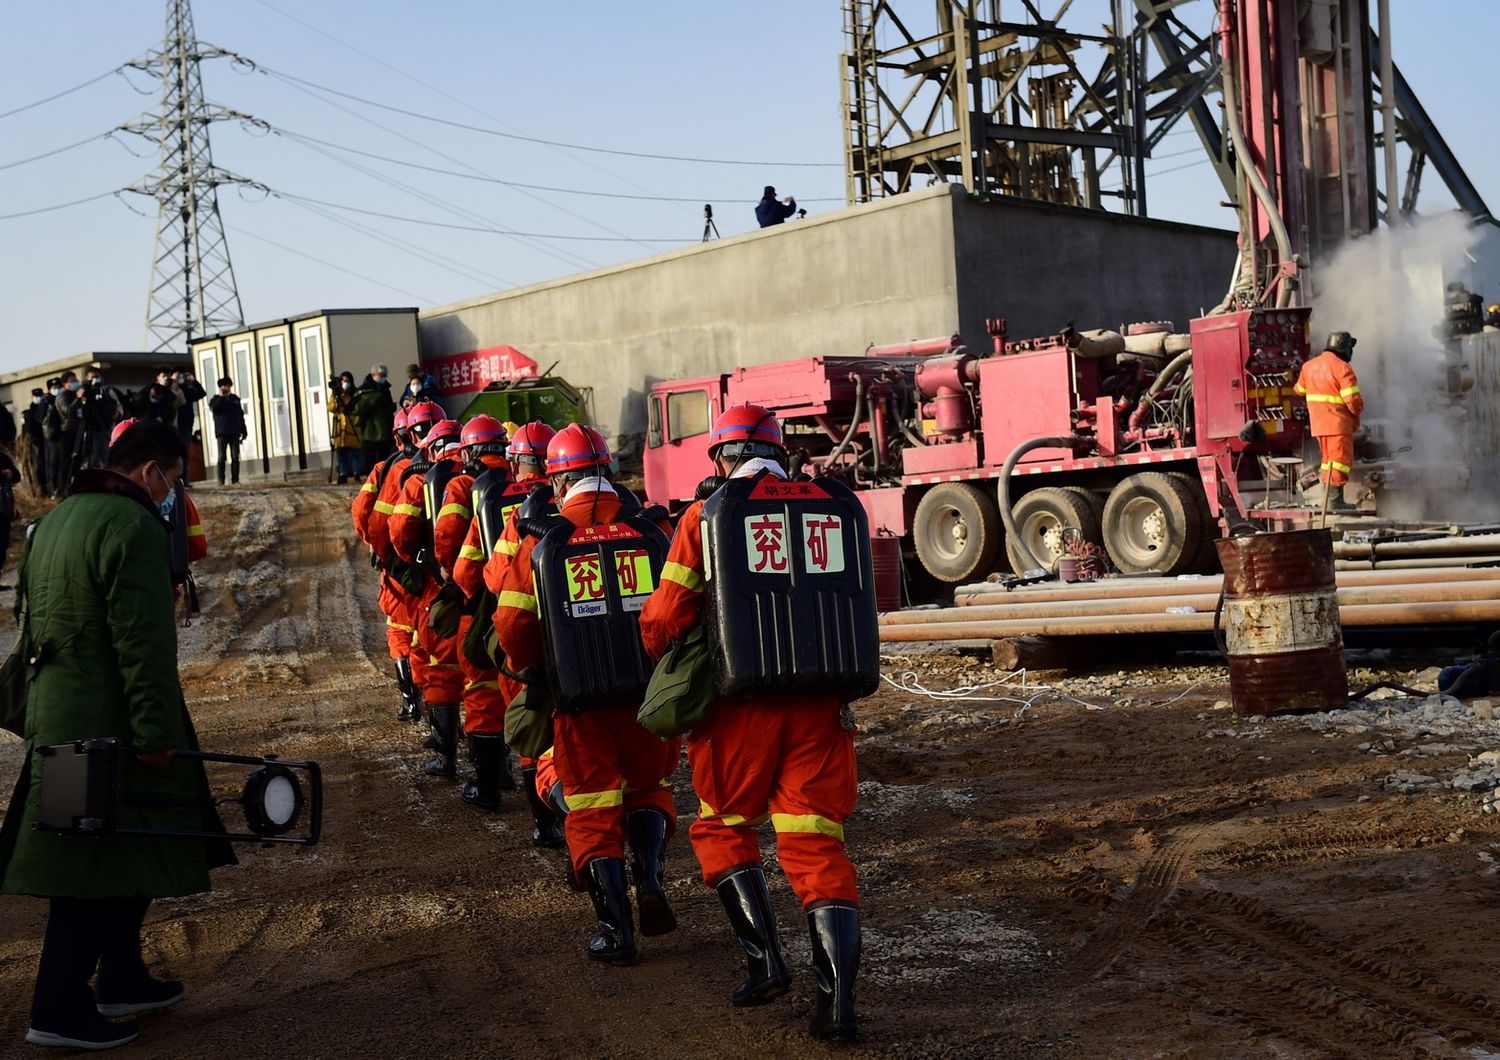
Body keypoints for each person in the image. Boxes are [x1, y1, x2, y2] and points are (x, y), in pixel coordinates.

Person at [0, 420, 234, 1051]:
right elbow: (143, 645)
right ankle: (57, 1006)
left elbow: (29, 626)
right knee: (92, 861)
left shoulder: (52, 522)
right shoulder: (132, 527)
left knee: (126, 847)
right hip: (112, 723)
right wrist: (156, 731)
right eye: (175, 479)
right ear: (150, 471)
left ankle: (122, 975)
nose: (174, 493)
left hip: (60, 717)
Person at [639, 403, 864, 1041]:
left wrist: (669, 662)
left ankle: (765, 960)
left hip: (739, 714)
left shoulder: (706, 517)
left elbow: (663, 617)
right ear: (779, 451)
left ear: (721, 457)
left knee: (723, 827)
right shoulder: (835, 505)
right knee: (817, 844)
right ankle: (839, 1009)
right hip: (822, 707)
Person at [495, 424, 679, 966]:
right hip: (648, 696)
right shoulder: (649, 529)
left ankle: (614, 931)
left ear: (557, 481)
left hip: (580, 702)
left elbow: (510, 624)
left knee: (594, 806)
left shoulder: (541, 539)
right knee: (648, 787)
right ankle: (648, 877)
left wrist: (535, 670)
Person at [477, 421, 565, 846]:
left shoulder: (519, 516)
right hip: (603, 651)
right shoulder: (615, 510)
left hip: (536, 641)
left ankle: (546, 824)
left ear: (518, 462)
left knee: (533, 729)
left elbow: (494, 580)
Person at [431, 415, 516, 811]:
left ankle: (488, 786)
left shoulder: (464, 485)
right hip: (540, 601)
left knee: (482, 690)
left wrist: (452, 578)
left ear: (469, 452)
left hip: (482, 598)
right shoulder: (528, 484)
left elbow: (451, 541)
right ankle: (516, 773)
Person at [389, 417, 467, 775]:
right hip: (490, 588)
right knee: (486, 677)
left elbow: (401, 532)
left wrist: (413, 563)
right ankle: (497, 767)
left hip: (439, 584)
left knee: (441, 666)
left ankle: (445, 755)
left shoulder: (422, 479)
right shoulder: (481, 476)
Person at [1294, 331, 1365, 512]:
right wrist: (1357, 415)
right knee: (1340, 461)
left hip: (1319, 426)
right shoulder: (1343, 368)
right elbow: (1353, 401)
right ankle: (1335, 500)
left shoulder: (1308, 367)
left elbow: (1299, 389)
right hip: (1338, 424)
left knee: (1328, 462)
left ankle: (1329, 498)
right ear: (1344, 348)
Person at [354, 368, 398, 471]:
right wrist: (375, 398)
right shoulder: (364, 389)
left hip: (385, 429)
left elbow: (388, 406)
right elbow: (357, 409)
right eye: (381, 375)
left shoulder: (385, 388)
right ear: (374, 375)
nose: (383, 378)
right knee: (370, 459)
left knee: (385, 458)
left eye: (384, 375)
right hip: (370, 430)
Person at [207, 377, 248, 486]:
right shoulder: (215, 400)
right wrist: (221, 397)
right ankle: (221, 480)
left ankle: (235, 479)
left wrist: (244, 430)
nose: (225, 388)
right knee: (221, 457)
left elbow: (240, 415)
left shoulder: (235, 399)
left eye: (227, 386)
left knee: (235, 456)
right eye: (223, 386)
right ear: (219, 387)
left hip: (234, 431)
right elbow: (214, 409)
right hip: (221, 432)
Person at [330, 371, 363, 484]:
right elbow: (331, 408)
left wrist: (349, 400)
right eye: (343, 381)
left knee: (356, 453)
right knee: (341, 453)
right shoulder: (336, 394)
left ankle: (357, 473)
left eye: (347, 381)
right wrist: (335, 396)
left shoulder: (355, 393)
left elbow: (357, 408)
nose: (345, 383)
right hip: (341, 429)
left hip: (352, 426)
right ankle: (343, 474)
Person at [20, 388, 49, 495]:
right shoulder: (29, 413)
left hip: (44, 442)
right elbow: (28, 431)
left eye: (40, 395)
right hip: (35, 444)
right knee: (37, 468)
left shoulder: (45, 408)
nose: (38, 398)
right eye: (36, 396)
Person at [174, 370, 206, 452]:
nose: (180, 379)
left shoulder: (187, 391)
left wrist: (193, 381)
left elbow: (201, 393)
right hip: (173, 423)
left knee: (185, 448)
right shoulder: (170, 390)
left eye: (181, 376)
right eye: (177, 376)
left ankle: (184, 464)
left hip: (186, 423)